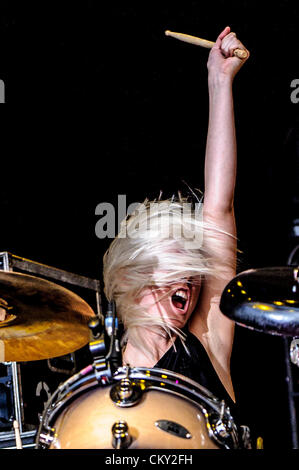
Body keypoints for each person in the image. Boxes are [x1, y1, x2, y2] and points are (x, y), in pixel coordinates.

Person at [103, 26, 249, 409]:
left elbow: (218, 205)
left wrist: (219, 80)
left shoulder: (207, 339)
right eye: (174, 265)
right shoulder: (97, 394)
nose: (189, 278)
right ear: (131, 277)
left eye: (191, 268)